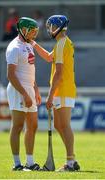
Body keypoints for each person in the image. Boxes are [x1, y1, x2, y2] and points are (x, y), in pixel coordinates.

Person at [30, 15, 80, 171]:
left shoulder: (62, 44)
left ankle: (70, 162)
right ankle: (72, 158)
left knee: (65, 125)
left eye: (51, 26)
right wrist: (33, 43)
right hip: (62, 90)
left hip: (63, 89)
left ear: (57, 26)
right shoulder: (62, 43)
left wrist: (50, 96)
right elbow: (48, 57)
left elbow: (58, 74)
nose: (49, 29)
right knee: (59, 125)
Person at [6, 17, 41, 171]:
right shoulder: (14, 47)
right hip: (17, 90)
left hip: (29, 89)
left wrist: (35, 90)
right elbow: (11, 75)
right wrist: (25, 94)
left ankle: (30, 162)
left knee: (33, 126)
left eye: (35, 31)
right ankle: (17, 163)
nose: (34, 34)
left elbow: (30, 71)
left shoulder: (29, 45)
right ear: (23, 30)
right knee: (18, 126)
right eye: (32, 31)